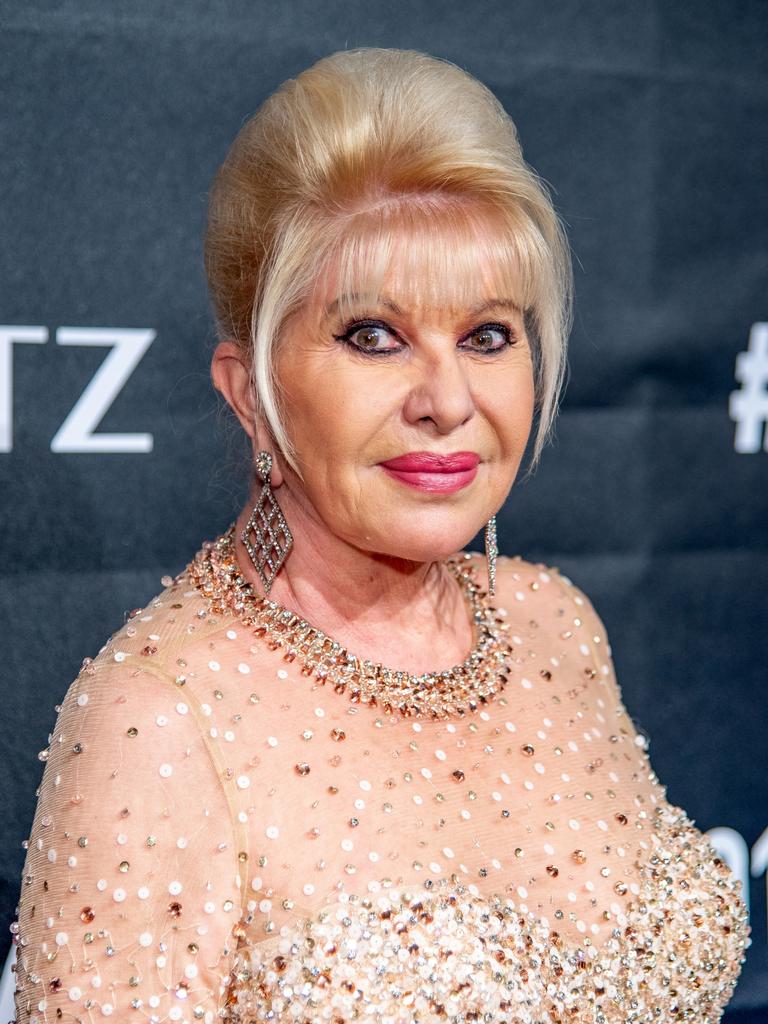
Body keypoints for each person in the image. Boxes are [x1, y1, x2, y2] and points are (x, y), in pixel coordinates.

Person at [11, 47, 750, 1024]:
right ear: (251, 397)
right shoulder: (160, 721)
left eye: (488, 335)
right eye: (374, 335)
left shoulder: (555, 625)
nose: (448, 401)